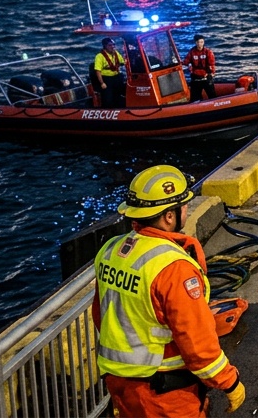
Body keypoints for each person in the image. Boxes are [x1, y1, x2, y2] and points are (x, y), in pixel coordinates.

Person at [94, 165, 244, 417]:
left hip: (119, 383)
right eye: (184, 206)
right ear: (169, 216)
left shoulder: (110, 250)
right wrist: (229, 382)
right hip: (164, 392)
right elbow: (197, 343)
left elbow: (101, 315)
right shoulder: (173, 267)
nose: (186, 210)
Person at [92, 38, 127, 108]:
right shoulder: (99, 56)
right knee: (108, 98)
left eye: (114, 45)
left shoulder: (116, 53)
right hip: (106, 79)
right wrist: (102, 83)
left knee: (119, 94)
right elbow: (98, 71)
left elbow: (123, 62)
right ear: (105, 46)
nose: (113, 47)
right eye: (110, 45)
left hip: (116, 77)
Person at [184, 34, 217, 101]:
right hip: (196, 78)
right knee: (195, 98)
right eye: (199, 42)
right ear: (196, 43)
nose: (200, 44)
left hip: (206, 77)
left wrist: (212, 73)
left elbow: (212, 63)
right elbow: (186, 62)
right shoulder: (191, 52)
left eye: (202, 42)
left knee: (212, 96)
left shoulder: (208, 52)